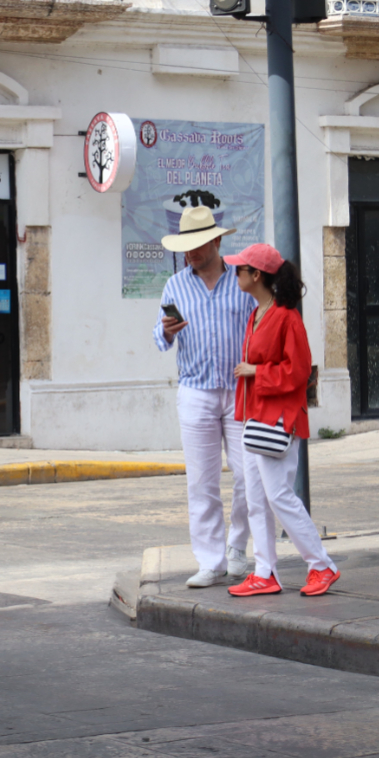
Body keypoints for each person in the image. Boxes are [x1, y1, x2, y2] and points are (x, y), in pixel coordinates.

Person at [223, 243, 340, 598]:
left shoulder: (287, 317)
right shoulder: (257, 313)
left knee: (278, 495)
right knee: (257, 498)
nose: (236, 273)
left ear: (256, 275)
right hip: (256, 418)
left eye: (240, 269)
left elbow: (300, 370)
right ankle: (264, 571)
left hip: (279, 420)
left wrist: (257, 371)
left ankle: (321, 564)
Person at [154, 206, 257, 588]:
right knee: (201, 482)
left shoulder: (242, 281)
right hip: (196, 390)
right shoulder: (175, 285)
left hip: (238, 389)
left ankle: (237, 549)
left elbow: (259, 325)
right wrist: (166, 331)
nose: (191, 253)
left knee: (249, 476)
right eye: (186, 246)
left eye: (197, 245)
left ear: (216, 241)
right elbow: (159, 338)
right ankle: (210, 560)